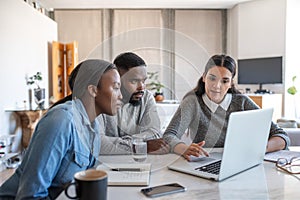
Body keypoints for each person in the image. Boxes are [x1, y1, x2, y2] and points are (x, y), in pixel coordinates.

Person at [0, 59, 122, 199]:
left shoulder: (93, 127)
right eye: (116, 87)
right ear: (93, 90)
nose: (121, 96)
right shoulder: (61, 120)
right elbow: (31, 196)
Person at [163, 54, 290, 161]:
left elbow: (281, 135)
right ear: (203, 77)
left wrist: (263, 148)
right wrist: (184, 149)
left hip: (240, 162)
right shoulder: (192, 102)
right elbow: (169, 136)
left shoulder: (241, 102)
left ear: (230, 84)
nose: (217, 86)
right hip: (204, 162)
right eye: (212, 78)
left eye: (224, 81)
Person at [99, 52, 169, 154]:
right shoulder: (101, 99)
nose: (142, 87)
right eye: (134, 81)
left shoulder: (146, 97)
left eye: (144, 81)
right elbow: (99, 143)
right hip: (105, 165)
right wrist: (140, 146)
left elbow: (155, 133)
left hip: (138, 162)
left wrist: (119, 144)